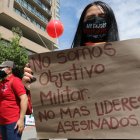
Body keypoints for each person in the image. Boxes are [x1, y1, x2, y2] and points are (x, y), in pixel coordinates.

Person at [22, 1, 119, 139]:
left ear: (111, 23)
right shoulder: (66, 68)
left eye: (102, 17)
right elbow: (54, 116)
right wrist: (37, 89)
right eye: (90, 19)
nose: (97, 21)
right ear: (82, 25)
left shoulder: (128, 63)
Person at [0, 61, 28, 140]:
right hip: (2, 122)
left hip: (13, 122)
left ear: (9, 69)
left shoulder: (15, 81)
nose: (0, 70)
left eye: (1, 68)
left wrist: (21, 119)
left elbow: (24, 98)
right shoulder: (2, 82)